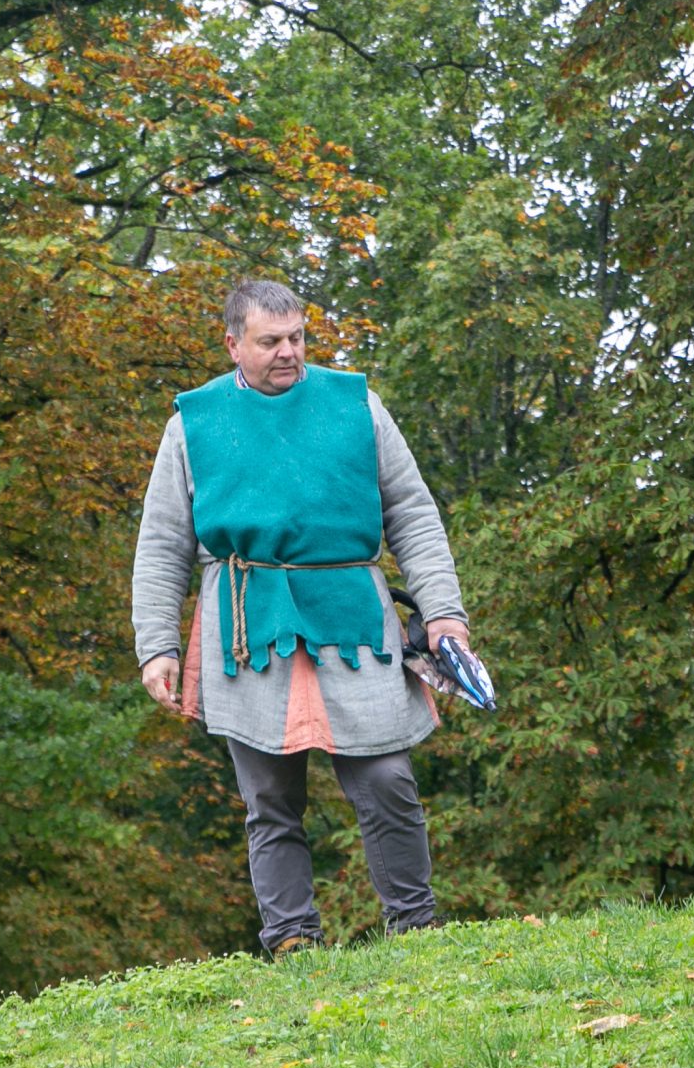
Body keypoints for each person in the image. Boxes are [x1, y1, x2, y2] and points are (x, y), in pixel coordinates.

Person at [132, 279, 475, 956]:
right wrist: (157, 645)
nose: (288, 352)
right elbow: (163, 541)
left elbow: (412, 512)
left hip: (351, 612)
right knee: (268, 796)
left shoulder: (356, 404)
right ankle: (292, 938)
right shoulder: (193, 422)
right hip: (245, 622)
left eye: (297, 338)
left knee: (387, 780)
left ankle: (415, 927)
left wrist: (443, 613)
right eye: (270, 341)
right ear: (233, 344)